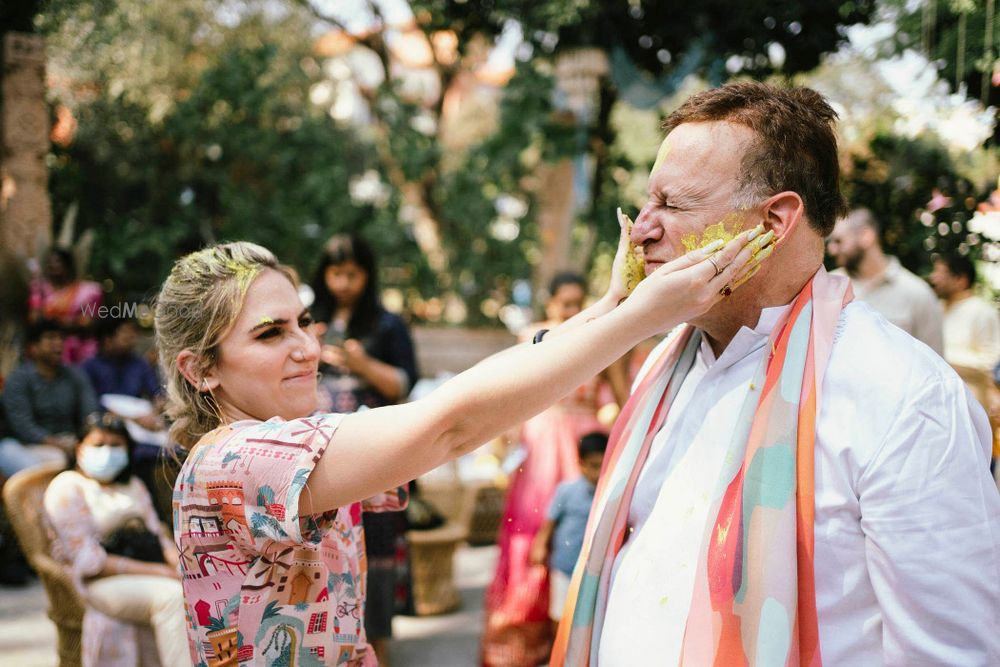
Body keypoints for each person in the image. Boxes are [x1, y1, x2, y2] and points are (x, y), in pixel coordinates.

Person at [550, 82, 1000, 667]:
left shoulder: (906, 398)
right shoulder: (661, 364)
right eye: (646, 204)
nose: (640, 231)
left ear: (775, 220)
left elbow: (949, 653)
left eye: (675, 205)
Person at [156, 233, 760, 666]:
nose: (307, 349)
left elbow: (465, 391)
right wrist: (642, 318)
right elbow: (451, 424)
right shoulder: (236, 462)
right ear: (201, 369)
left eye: (303, 323)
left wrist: (610, 310)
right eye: (270, 334)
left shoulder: (293, 440)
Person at [482, 272, 616, 667]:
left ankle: (573, 640)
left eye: (578, 303)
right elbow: (508, 395)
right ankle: (519, 646)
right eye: (565, 303)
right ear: (551, 303)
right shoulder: (536, 338)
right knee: (532, 530)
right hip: (541, 445)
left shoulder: (602, 336)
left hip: (584, 446)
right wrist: (498, 449)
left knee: (584, 530)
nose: (572, 310)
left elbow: (617, 396)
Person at [309, 233, 419, 665]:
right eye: (335, 273)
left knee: (374, 564)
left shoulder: (387, 325)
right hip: (317, 462)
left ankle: (380, 652)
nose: (343, 282)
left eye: (352, 273)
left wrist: (360, 364)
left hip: (375, 465)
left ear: (367, 275)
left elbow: (403, 384)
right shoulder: (309, 321)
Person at [43, 412, 190, 666]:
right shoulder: (68, 487)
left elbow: (156, 534)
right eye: (98, 445)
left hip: (146, 572)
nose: (107, 452)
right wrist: (159, 572)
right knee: (172, 597)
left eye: (115, 446)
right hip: (96, 582)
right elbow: (89, 561)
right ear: (80, 448)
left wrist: (176, 565)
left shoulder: (133, 485)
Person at [826, 207, 944, 354]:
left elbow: (935, 364)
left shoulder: (917, 293)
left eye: (838, 241)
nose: (831, 250)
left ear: (866, 236)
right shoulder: (826, 286)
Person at [930, 253, 1000, 477]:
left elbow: (991, 362)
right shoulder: (936, 308)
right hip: (938, 415)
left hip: (973, 414)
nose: (934, 278)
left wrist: (939, 355)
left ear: (961, 279)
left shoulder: (982, 311)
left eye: (940, 273)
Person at [530, 432, 607, 631]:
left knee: (589, 613)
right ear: (581, 464)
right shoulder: (567, 490)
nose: (598, 473)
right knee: (560, 613)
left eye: (603, 465)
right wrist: (539, 546)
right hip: (565, 565)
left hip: (593, 566)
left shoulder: (609, 492)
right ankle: (558, 656)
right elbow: (549, 522)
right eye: (593, 466)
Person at [1, 319, 97, 466]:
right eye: (51, 338)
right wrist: (55, 443)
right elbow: (22, 424)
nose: (58, 343)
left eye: (61, 338)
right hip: (25, 445)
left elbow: (90, 413)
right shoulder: (18, 379)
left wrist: (90, 437)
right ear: (33, 347)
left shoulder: (75, 375)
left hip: (70, 440)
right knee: (53, 461)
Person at [28, 247, 103, 364]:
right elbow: (34, 319)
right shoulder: (40, 289)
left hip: (78, 350)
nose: (53, 266)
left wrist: (59, 322)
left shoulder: (87, 291)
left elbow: (88, 322)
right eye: (50, 263)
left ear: (68, 265)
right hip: (48, 349)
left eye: (57, 262)